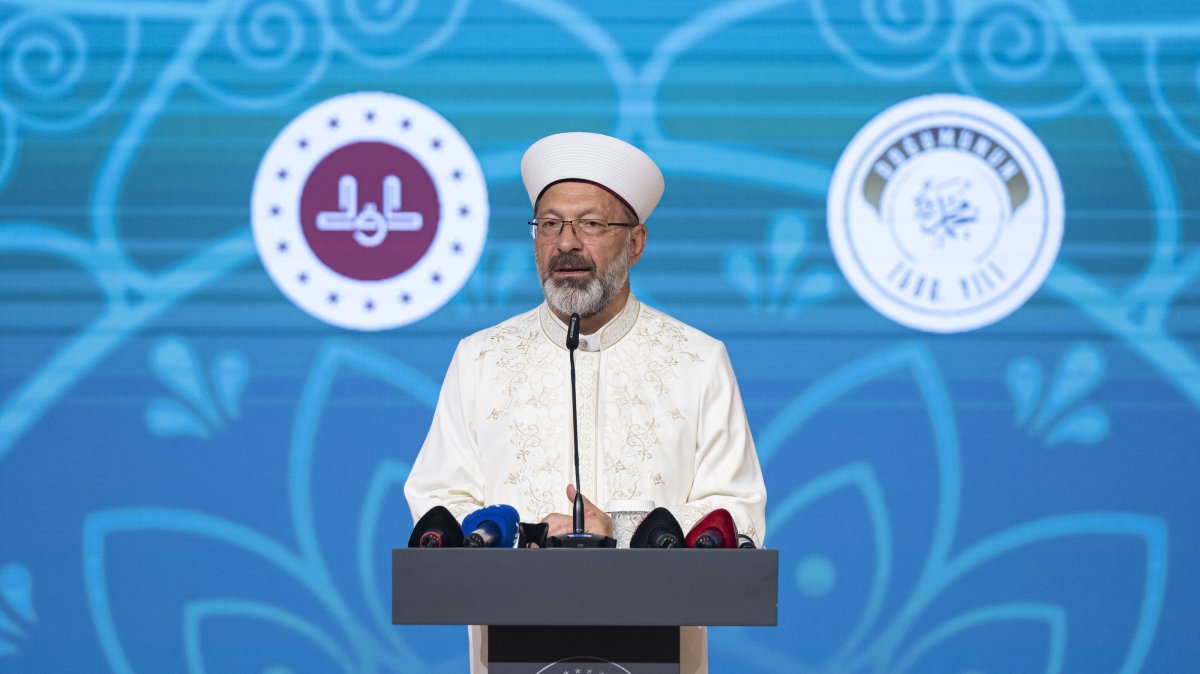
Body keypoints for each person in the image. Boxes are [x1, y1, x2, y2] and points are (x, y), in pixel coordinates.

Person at [404, 131, 768, 673]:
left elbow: (738, 513)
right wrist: (527, 543)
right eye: (549, 224)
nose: (566, 243)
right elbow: (437, 499)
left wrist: (617, 534)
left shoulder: (697, 359)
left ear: (637, 242)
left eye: (590, 224)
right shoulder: (481, 357)